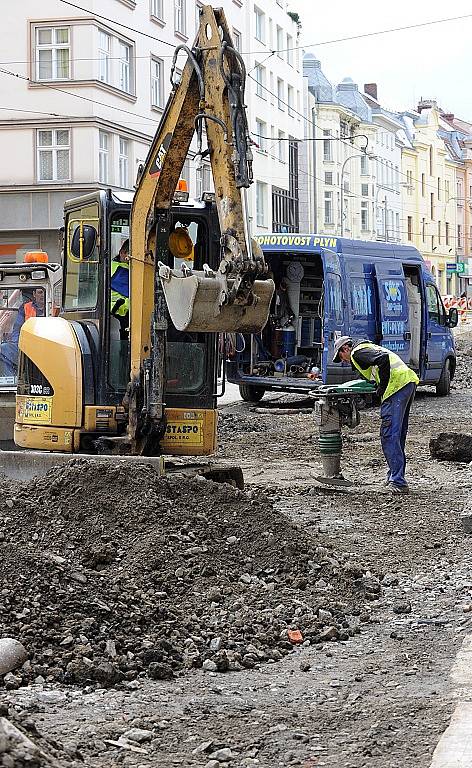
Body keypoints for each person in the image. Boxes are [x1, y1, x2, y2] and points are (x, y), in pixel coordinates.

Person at [332, 336, 419, 494]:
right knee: (398, 434)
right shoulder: (367, 348)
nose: (343, 361)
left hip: (395, 387)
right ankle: (394, 475)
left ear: (345, 349)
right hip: (408, 382)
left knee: (389, 434)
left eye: (340, 356)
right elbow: (374, 371)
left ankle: (398, 482)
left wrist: (383, 387)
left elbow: (383, 360)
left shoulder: (357, 353)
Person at [0, 288, 45, 376]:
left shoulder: (54, 308)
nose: (42, 295)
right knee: (3, 349)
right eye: (40, 293)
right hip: (27, 344)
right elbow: (17, 328)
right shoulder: (25, 307)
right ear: (34, 294)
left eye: (44, 292)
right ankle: (11, 378)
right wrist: (18, 344)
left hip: (46, 345)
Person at [110, 239, 130, 340]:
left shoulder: (123, 267)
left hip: (123, 313)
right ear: (122, 253)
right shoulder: (119, 270)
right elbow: (136, 292)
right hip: (119, 313)